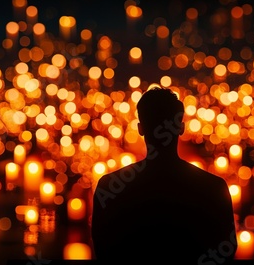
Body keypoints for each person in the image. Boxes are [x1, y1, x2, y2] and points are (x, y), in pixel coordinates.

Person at [91, 87, 237, 264]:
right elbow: (225, 250)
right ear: (181, 128)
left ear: (141, 128)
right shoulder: (213, 187)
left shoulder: (109, 187)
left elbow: (103, 250)